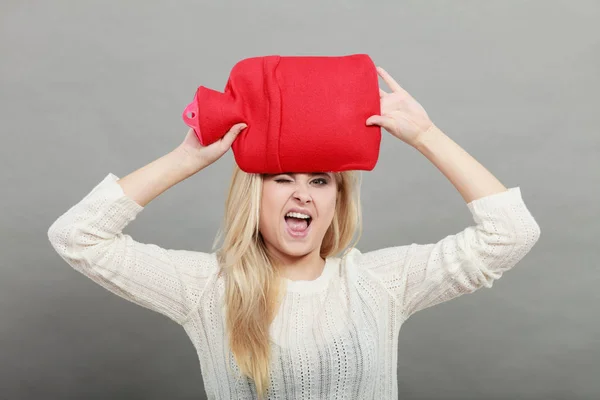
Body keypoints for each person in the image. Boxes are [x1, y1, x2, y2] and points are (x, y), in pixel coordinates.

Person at [47, 67, 541, 399]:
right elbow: (76, 237)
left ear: (336, 201)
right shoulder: (206, 288)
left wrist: (426, 136)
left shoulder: (377, 282)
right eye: (282, 179)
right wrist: (187, 158)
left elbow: (512, 232)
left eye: (320, 181)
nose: (302, 195)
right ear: (254, 197)